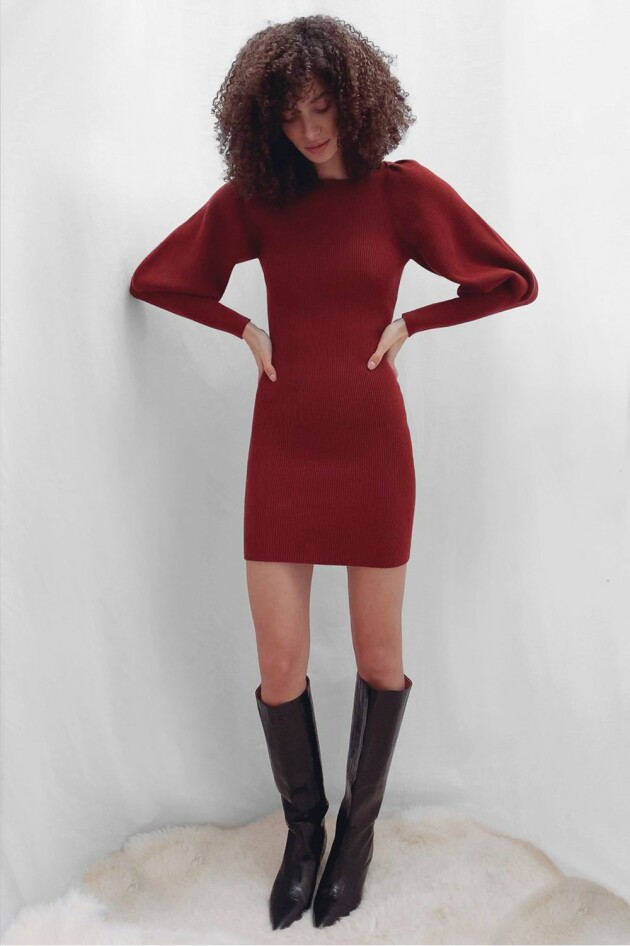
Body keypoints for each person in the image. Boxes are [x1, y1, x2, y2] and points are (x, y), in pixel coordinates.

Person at [129, 14, 538, 931]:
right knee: (279, 663)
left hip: (372, 452)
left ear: (355, 102)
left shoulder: (402, 194)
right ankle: (304, 834)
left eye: (322, 107)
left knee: (378, 659)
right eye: (290, 114)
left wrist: (414, 323)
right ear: (263, 120)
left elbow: (508, 279)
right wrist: (243, 326)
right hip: (282, 451)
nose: (310, 130)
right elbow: (159, 277)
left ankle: (357, 835)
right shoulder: (259, 199)